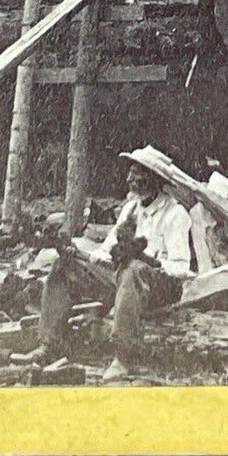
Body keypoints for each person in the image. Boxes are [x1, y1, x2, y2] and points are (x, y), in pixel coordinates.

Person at [34, 150, 194, 377]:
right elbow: (106, 253)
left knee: (133, 269)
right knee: (63, 266)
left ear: (154, 179)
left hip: (162, 288)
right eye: (130, 172)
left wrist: (146, 260)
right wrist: (80, 256)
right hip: (124, 280)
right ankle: (49, 346)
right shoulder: (130, 209)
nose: (129, 179)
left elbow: (181, 269)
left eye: (136, 174)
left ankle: (123, 357)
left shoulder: (175, 214)